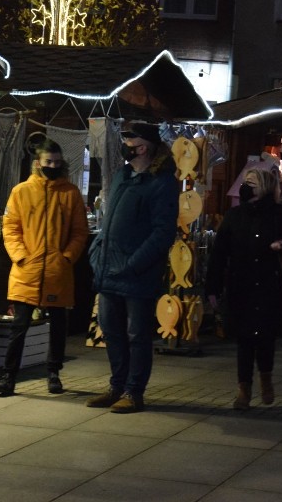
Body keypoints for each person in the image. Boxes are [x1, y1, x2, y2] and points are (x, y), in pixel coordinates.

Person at [86, 121, 178, 414]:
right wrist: (96, 251)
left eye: (129, 140)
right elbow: (110, 222)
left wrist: (133, 264)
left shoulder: (161, 182)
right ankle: (117, 386)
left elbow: (162, 233)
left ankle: (133, 392)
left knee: (137, 335)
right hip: (109, 270)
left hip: (136, 274)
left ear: (143, 147)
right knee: (111, 331)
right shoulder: (122, 176)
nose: (123, 144)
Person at [0, 138, 89, 396]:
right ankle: (8, 376)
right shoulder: (21, 191)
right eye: (49, 162)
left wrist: (67, 257)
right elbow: (10, 228)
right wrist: (20, 256)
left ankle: (53, 372)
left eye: (57, 162)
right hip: (28, 269)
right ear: (38, 163)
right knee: (19, 324)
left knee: (58, 324)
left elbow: (80, 232)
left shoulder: (71, 193)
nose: (53, 166)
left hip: (57, 269)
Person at [205, 168, 282, 410]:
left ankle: (265, 377)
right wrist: (213, 286)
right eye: (245, 182)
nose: (247, 186)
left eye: (252, 183)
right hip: (241, 283)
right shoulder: (235, 215)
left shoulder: (279, 214)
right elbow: (220, 252)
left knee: (265, 337)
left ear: (265, 187)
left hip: (267, 282)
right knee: (244, 339)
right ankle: (243, 389)